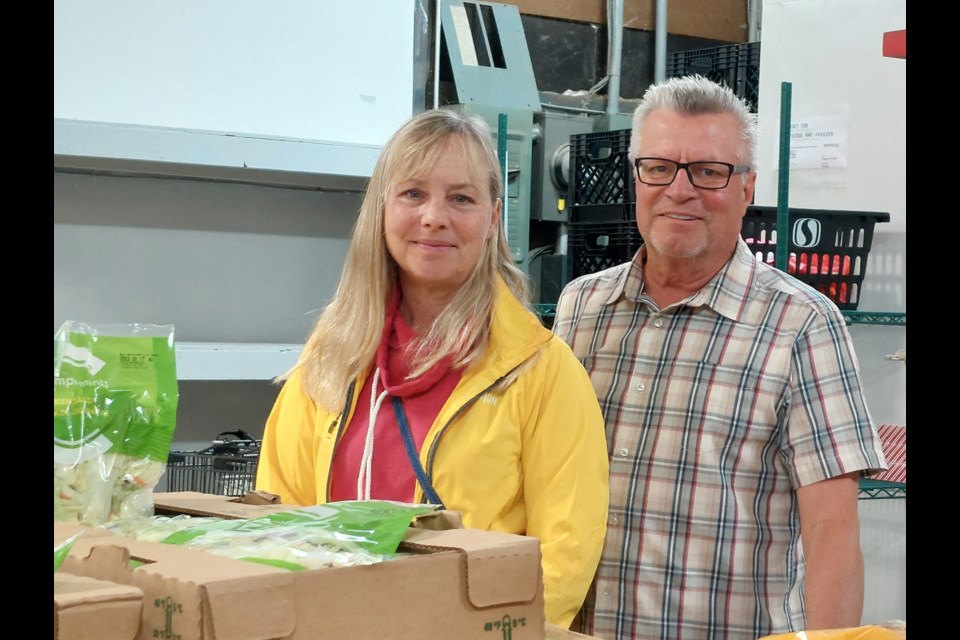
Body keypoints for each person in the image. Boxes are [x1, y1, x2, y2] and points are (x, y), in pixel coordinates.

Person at [552, 75, 887, 640]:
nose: (679, 190)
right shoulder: (582, 308)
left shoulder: (801, 324)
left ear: (747, 188)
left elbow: (833, 532)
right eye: (658, 167)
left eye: (709, 172)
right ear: (636, 177)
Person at [255, 107, 610, 629]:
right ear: (382, 209)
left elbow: (564, 555)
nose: (433, 217)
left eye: (461, 198)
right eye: (413, 193)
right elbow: (278, 517)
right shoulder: (330, 360)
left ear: (492, 219)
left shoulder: (541, 373)